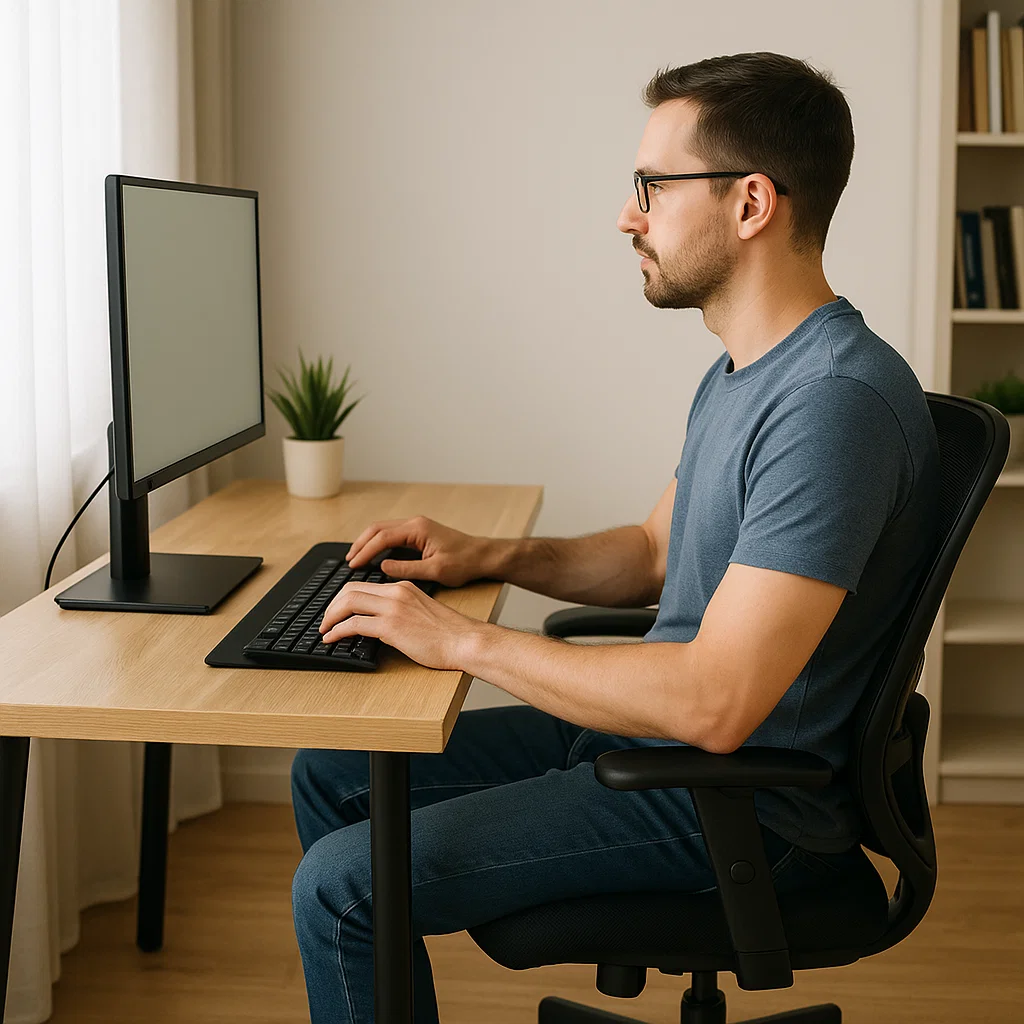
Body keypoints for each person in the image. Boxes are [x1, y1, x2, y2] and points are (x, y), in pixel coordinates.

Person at [290, 52, 939, 1022]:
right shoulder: (745, 371)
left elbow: (718, 703)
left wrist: (463, 638)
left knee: (341, 884)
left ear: (750, 202)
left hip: (736, 806)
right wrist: (493, 556)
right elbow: (653, 554)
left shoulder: (830, 405)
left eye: (651, 186)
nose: (627, 215)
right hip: (656, 737)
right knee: (333, 773)